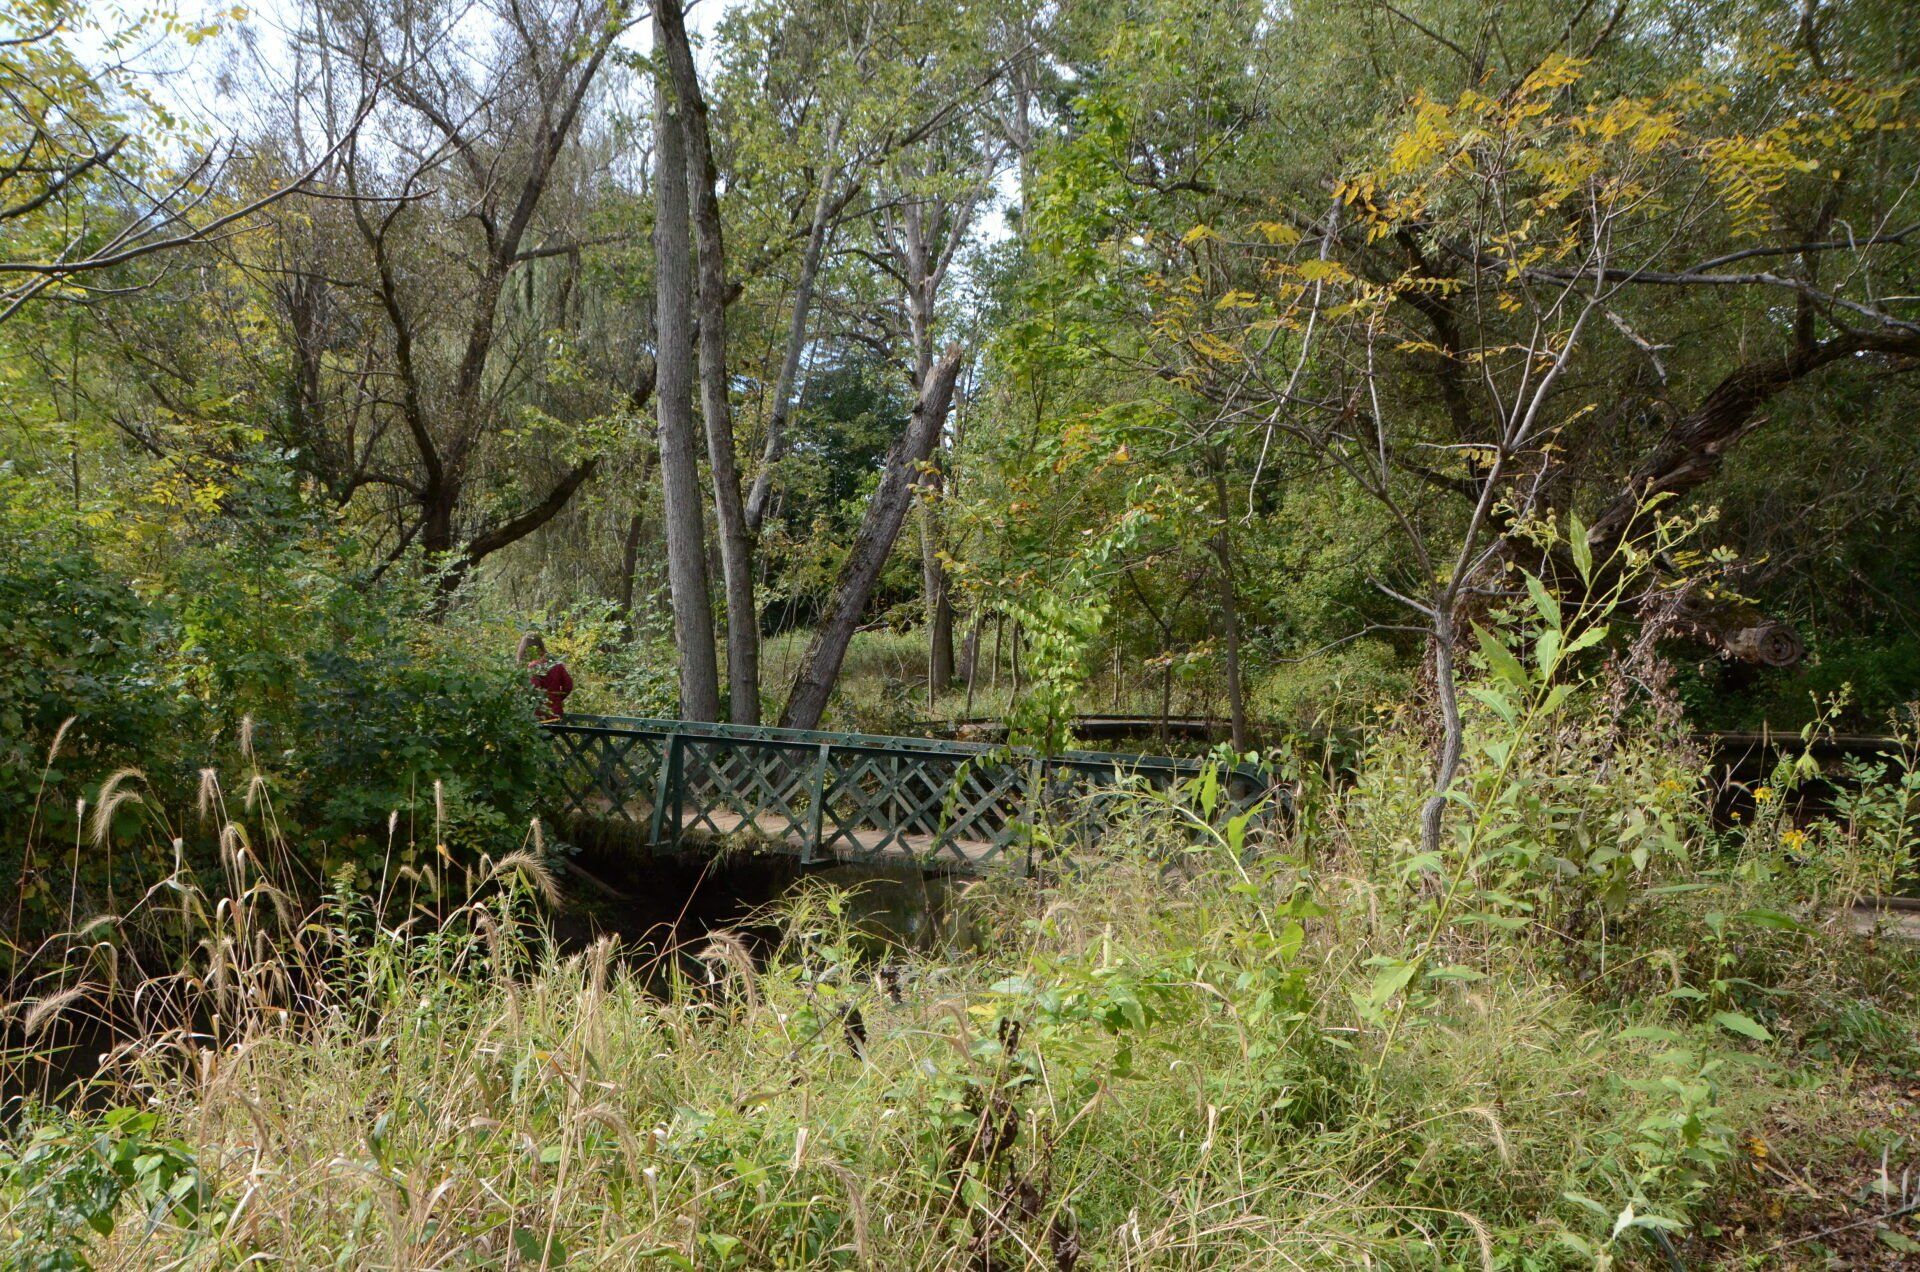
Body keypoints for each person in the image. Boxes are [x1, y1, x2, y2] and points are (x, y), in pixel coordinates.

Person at [517, 633, 574, 721]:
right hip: (556, 712)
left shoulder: (532, 667)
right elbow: (568, 685)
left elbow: (533, 690)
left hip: (537, 715)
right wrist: (556, 699)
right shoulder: (556, 664)